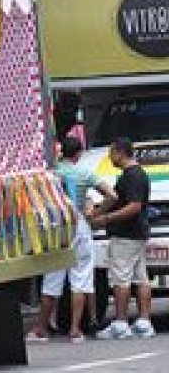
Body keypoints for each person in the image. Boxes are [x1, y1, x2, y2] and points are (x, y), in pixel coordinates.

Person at [26, 136, 115, 343]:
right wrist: (96, 214)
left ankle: (41, 328)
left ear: (62, 152)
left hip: (56, 228)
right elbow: (112, 195)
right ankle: (75, 330)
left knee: (51, 279)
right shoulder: (84, 172)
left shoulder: (50, 174)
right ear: (78, 154)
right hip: (79, 226)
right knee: (80, 278)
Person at [91, 136, 156, 339]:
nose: (110, 157)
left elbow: (134, 206)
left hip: (126, 234)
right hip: (138, 233)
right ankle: (144, 323)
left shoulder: (132, 176)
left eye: (112, 153)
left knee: (121, 279)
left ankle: (120, 323)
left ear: (120, 152)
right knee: (141, 278)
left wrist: (107, 218)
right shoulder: (136, 174)